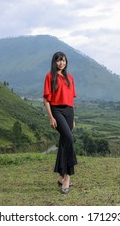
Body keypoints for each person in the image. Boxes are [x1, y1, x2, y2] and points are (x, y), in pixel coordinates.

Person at [43, 51, 77, 194]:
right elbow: (46, 100)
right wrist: (51, 117)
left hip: (69, 112)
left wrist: (73, 118)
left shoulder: (69, 78)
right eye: (58, 60)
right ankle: (68, 177)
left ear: (66, 62)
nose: (61, 63)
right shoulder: (50, 77)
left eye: (63, 60)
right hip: (57, 110)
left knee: (64, 142)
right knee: (69, 139)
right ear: (54, 62)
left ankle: (61, 177)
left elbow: (71, 100)